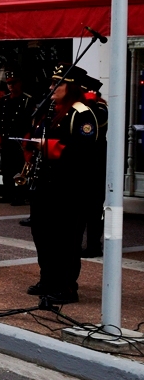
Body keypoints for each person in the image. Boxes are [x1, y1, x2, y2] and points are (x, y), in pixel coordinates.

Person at [26, 64, 100, 305]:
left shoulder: (82, 113)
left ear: (70, 87)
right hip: (45, 185)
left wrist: (46, 147)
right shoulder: (51, 110)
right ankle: (48, 279)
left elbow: (84, 151)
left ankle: (66, 287)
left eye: (57, 84)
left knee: (66, 240)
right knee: (43, 235)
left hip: (68, 188)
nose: (51, 88)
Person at [0, 71, 33, 206]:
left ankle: (20, 196)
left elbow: (30, 123)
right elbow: (0, 120)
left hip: (19, 139)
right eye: (9, 84)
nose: (11, 86)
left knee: (18, 168)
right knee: (6, 168)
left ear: (19, 83)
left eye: (13, 83)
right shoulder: (5, 99)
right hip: (6, 138)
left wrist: (26, 140)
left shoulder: (27, 100)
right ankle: (7, 193)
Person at [82, 79, 107, 258]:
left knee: (94, 208)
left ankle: (93, 245)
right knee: (84, 208)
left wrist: (89, 101)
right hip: (86, 163)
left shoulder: (100, 108)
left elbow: (95, 125)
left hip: (96, 163)